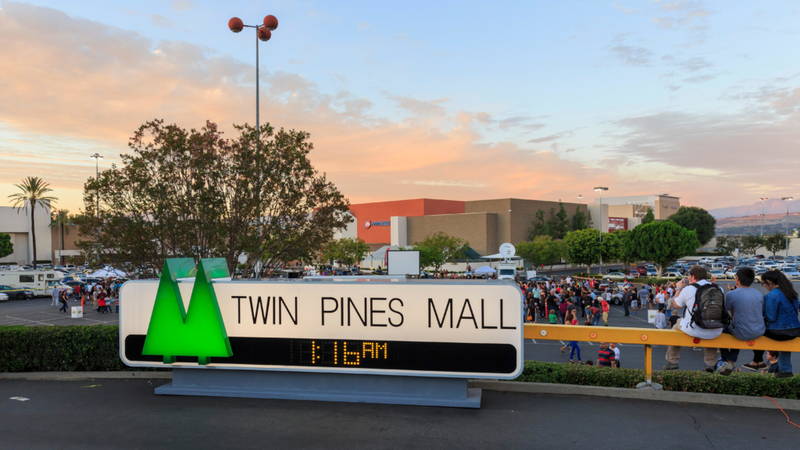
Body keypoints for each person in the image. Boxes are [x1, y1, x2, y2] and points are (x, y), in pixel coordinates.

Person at [663, 265, 724, 372]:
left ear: (692, 276)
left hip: (693, 328)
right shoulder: (719, 288)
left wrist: (678, 288)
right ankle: (711, 363)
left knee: (677, 324)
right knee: (709, 330)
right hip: (716, 329)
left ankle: (672, 360)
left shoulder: (688, 289)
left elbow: (676, 305)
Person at [717, 267, 766, 376]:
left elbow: (731, 313)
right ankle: (730, 362)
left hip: (741, 332)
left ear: (737, 279)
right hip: (759, 331)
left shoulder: (732, 294)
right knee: (739, 329)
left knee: (726, 330)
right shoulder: (759, 294)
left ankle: (727, 360)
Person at [761, 270, 800, 378]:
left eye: (763, 283)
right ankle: (785, 369)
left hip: (779, 331)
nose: (764, 285)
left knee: (755, 331)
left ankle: (757, 360)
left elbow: (771, 317)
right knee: (785, 342)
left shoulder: (772, 295)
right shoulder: (791, 293)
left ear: (769, 281)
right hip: (795, 330)